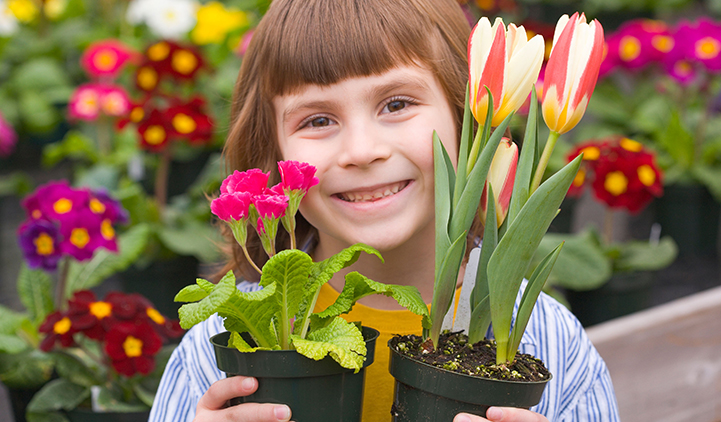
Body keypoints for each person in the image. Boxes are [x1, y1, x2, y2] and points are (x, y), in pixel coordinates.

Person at [149, 0, 621, 421]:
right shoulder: (222, 346)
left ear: (466, 112)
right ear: (270, 152)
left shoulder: (547, 341)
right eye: (318, 120)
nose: (362, 150)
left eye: (396, 103)